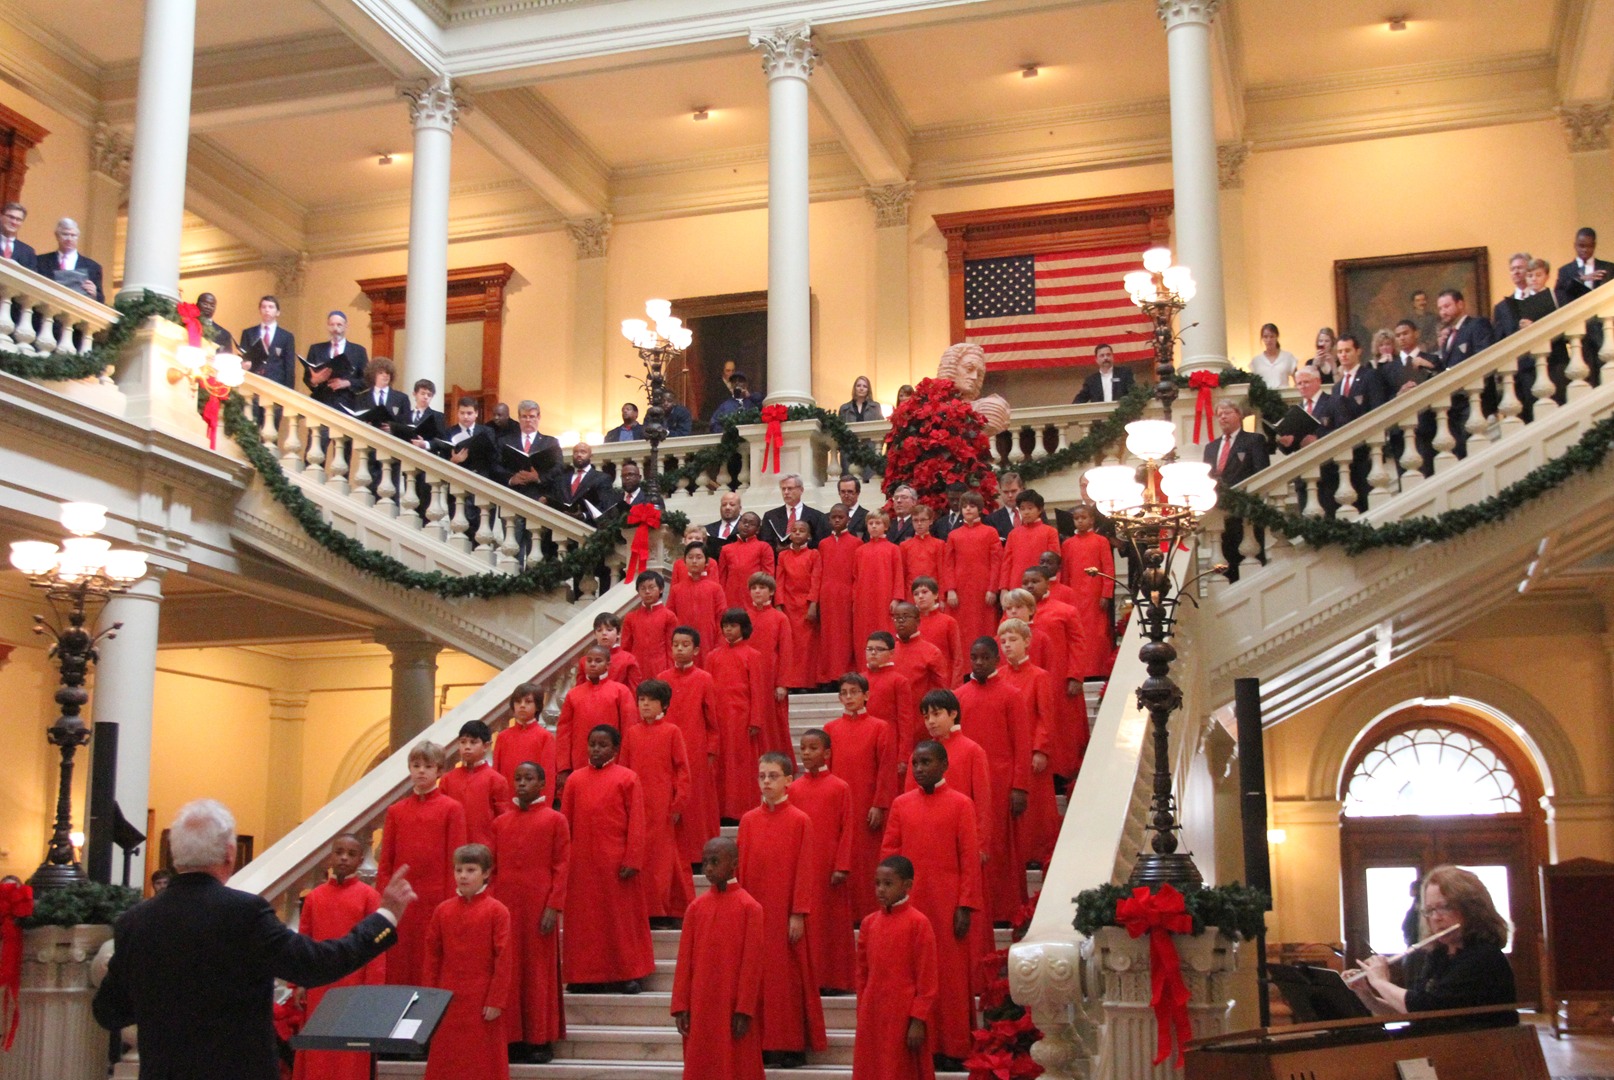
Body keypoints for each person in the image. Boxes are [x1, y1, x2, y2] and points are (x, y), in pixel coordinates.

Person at [93, 800, 413, 1080]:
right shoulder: (244, 913)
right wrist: (384, 918)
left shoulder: (135, 922)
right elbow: (316, 964)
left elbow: (109, 1012)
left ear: (175, 857)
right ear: (230, 854)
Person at [879, 741, 983, 1073]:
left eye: (926, 762)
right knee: (914, 974)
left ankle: (952, 1046)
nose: (920, 768)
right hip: (911, 901)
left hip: (947, 900)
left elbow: (969, 858)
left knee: (949, 975)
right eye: (915, 763)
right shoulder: (900, 804)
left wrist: (965, 903)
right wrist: (892, 895)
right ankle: (923, 1045)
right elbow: (890, 851)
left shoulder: (961, 804)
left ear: (944, 765)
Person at [738, 752, 827, 1069]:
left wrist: (798, 912)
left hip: (787, 913)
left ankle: (790, 1045)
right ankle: (761, 1043)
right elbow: (744, 870)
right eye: (762, 776)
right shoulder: (748, 821)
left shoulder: (800, 820)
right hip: (757, 912)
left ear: (789, 779)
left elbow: (805, 870)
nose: (766, 782)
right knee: (759, 978)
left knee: (788, 980)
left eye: (773, 775)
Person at [1348, 865, 1517, 1027]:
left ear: (1471, 908)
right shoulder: (1440, 955)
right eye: (1429, 910)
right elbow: (1414, 1011)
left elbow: (1426, 1008)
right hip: (1441, 1046)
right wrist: (1368, 997)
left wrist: (1380, 982)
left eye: (1445, 907)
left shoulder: (1482, 957)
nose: (1436, 918)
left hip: (1479, 1049)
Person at [562, 725, 656, 993]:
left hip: (617, 862)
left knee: (620, 921)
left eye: (603, 745)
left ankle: (627, 974)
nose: (596, 749)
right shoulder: (575, 780)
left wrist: (633, 858)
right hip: (582, 863)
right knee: (585, 923)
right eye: (592, 744)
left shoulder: (628, 778)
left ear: (615, 749)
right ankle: (583, 976)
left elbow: (637, 822)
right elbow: (565, 824)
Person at [489, 762, 568, 1065]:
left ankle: (539, 1039)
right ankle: (512, 1039)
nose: (521, 783)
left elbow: (562, 866)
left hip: (539, 905)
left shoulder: (555, 820)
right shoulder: (500, 824)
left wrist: (554, 904)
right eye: (518, 778)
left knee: (538, 972)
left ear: (543, 784)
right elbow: (493, 871)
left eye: (529, 778)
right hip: (506, 906)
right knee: (509, 971)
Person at [671, 837, 766, 1080]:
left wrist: (744, 1009)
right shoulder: (695, 908)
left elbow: (752, 965)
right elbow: (684, 961)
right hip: (701, 1005)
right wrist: (681, 1005)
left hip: (732, 1005)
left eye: (715, 862)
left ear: (733, 863)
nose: (708, 869)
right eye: (704, 863)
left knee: (737, 1064)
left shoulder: (750, 908)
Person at [291, 834, 383, 1080]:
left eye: (351, 854)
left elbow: (376, 948)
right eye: (339, 852)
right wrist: (300, 981)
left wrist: (372, 992)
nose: (343, 858)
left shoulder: (369, 897)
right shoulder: (314, 897)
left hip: (354, 989)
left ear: (360, 860)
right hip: (319, 986)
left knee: (349, 1056)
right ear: (330, 856)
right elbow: (304, 941)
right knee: (318, 1052)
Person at [378, 741, 467, 986]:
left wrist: (453, 904)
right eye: (416, 765)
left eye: (428, 766)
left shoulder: (452, 809)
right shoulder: (396, 812)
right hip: (402, 902)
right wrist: (384, 900)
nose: (421, 771)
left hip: (436, 900)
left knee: (431, 962)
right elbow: (387, 861)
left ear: (439, 771)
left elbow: (455, 861)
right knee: (398, 961)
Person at [955, 638, 1030, 925]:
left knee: (1001, 847)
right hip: (966, 781)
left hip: (1001, 781)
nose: (978, 662)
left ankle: (1005, 909)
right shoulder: (959, 696)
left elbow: (1021, 743)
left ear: (997, 658)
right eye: (974, 657)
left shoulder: (1011, 695)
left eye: (984, 657)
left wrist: (1020, 785)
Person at [421, 843, 512, 1080]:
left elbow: (503, 959)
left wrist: (496, 1000)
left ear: (486, 873)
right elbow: (433, 956)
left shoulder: (497, 911)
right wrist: (429, 998)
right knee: (447, 1058)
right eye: (459, 869)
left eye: (470, 870)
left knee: (481, 1061)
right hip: (447, 997)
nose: (463, 875)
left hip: (482, 998)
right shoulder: (442, 910)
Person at [854, 855, 938, 1080]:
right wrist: (863, 1008)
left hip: (903, 1015)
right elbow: (862, 972)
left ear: (907, 886)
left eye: (888, 884)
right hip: (873, 1012)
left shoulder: (918, 923)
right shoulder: (869, 923)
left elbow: (927, 978)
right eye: (877, 883)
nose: (880, 889)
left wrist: (918, 1019)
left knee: (899, 1070)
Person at [620, 679, 695, 922]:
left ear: (663, 704)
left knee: (662, 859)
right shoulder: (631, 733)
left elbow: (683, 769)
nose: (645, 705)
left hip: (663, 804)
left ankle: (663, 909)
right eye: (641, 700)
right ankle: (642, 908)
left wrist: (678, 803)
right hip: (638, 803)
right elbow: (624, 770)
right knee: (642, 855)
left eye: (651, 700)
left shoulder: (672, 731)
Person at [825, 673, 897, 921]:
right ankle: (847, 914)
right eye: (844, 693)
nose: (849, 698)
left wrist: (879, 804)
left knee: (866, 859)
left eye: (854, 692)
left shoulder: (880, 727)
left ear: (866, 695)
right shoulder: (830, 729)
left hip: (868, 803)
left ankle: (868, 912)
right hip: (840, 804)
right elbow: (828, 770)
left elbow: (886, 770)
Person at [791, 729, 856, 995]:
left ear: (827, 753)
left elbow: (847, 828)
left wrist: (842, 864)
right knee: (811, 923)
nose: (806, 753)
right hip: (804, 865)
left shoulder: (840, 787)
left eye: (813, 748)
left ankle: (835, 979)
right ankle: (810, 979)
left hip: (829, 865)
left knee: (831, 923)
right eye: (803, 748)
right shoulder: (793, 789)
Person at [994, 618, 1058, 867]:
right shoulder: (998, 676)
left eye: (1013, 640)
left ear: (1027, 642)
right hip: (1006, 752)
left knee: (1035, 808)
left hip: (1031, 752)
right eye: (1003, 641)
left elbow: (1046, 717)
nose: (1007, 645)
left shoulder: (1039, 677)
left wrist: (1040, 749)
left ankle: (1035, 854)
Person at [661, 627, 722, 866]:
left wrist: (711, 751)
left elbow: (712, 720)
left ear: (696, 650)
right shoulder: (662, 678)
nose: (679, 649)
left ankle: (698, 855)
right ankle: (674, 856)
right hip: (667, 748)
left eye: (685, 645)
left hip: (695, 749)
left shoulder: (704, 679)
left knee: (696, 804)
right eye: (675, 644)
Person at [556, 644, 637, 798]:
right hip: (580, 762)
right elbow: (564, 732)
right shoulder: (573, 695)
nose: (592, 664)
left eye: (598, 661)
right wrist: (564, 767)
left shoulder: (620, 691)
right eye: (589, 660)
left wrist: (624, 763)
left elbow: (628, 729)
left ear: (608, 665)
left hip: (613, 762)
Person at [1201, 404, 1268, 582]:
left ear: (1239, 414)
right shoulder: (1211, 447)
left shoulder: (1254, 440)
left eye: (1227, 413)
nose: (1223, 417)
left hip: (1246, 511)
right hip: (1221, 513)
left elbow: (1262, 473)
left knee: (1250, 562)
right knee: (1226, 560)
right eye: (1219, 414)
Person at [1059, 504, 1116, 674]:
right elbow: (1065, 573)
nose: (1080, 521)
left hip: (1095, 595)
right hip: (1075, 595)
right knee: (1077, 633)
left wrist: (1106, 594)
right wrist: (1065, 598)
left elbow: (1108, 569)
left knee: (1097, 633)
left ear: (1091, 520)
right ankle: (1080, 670)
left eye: (1084, 518)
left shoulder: (1101, 541)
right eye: (1077, 519)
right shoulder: (1068, 544)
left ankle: (1098, 669)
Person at [746, 572, 795, 760]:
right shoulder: (745, 617)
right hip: (750, 676)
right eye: (754, 588)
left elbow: (786, 652)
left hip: (772, 676)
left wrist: (783, 683)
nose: (757, 592)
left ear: (772, 592)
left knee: (774, 721)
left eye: (762, 588)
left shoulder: (780, 618)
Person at [942, 492, 1002, 647]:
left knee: (983, 626)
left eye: (972, 506)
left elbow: (996, 562)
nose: (968, 509)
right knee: (961, 629)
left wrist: (992, 589)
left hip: (983, 590)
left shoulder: (990, 532)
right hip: (960, 591)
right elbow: (948, 564)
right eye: (965, 506)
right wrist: (950, 589)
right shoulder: (953, 535)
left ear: (980, 509)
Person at [440, 720, 511, 848]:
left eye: (473, 742)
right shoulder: (447, 779)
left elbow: (503, 821)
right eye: (463, 742)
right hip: (453, 848)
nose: (467, 747)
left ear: (486, 746)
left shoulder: (496, 780)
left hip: (484, 851)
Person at [816, 504, 863, 683]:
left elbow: (857, 573)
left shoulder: (856, 543)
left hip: (846, 594)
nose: (837, 520)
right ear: (829, 520)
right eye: (833, 517)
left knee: (845, 637)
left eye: (840, 517)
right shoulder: (823, 544)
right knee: (828, 636)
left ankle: (844, 674)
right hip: (827, 595)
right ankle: (828, 676)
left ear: (848, 520)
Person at [776, 520, 822, 690]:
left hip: (805, 605)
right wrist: (779, 604)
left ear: (808, 536)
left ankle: (806, 682)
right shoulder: (783, 556)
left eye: (801, 531)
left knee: (806, 646)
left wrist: (813, 603)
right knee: (790, 645)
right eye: (794, 530)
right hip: (788, 604)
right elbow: (779, 581)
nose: (797, 533)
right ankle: (790, 682)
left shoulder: (813, 554)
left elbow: (816, 580)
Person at [1555, 226, 1612, 362]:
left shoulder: (1608, 268)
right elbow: (1559, 295)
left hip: (1603, 327)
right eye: (1581, 246)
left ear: (1594, 245)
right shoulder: (1565, 271)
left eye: (1589, 246)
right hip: (1579, 327)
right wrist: (1581, 279)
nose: (1585, 250)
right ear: (1575, 245)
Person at [864, 631, 916, 772]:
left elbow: (906, 720)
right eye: (869, 649)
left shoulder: (899, 681)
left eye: (879, 649)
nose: (873, 653)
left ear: (892, 653)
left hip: (890, 744)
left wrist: (904, 755)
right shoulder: (860, 679)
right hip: (864, 742)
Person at [852, 512, 905, 649]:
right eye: (871, 524)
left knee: (885, 629)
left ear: (886, 526)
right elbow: (855, 578)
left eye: (878, 523)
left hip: (885, 598)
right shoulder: (860, 551)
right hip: (864, 600)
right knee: (864, 632)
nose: (874, 526)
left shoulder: (893, 549)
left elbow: (899, 575)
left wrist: (896, 598)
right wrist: (855, 599)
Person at [493, 400, 562, 503]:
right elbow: (496, 466)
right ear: (519, 418)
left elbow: (559, 468)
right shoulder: (505, 441)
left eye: (532, 416)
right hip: (512, 497)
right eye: (524, 416)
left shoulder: (551, 443)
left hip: (539, 498)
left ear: (538, 418)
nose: (528, 420)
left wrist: (538, 478)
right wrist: (511, 479)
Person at [892, 602, 948, 725]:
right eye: (896, 617)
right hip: (894, 719)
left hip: (921, 720)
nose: (900, 621)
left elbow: (941, 690)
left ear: (918, 621)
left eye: (905, 617)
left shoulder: (931, 652)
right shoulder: (889, 652)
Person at [493, 683, 554, 790]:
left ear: (538, 706)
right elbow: (496, 774)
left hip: (534, 800)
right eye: (518, 701)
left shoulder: (545, 737)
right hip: (506, 800)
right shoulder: (503, 737)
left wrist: (543, 805)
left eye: (528, 701)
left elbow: (548, 776)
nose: (522, 705)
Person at [669, 546, 725, 663]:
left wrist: (719, 645)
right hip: (682, 643)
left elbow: (722, 618)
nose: (694, 561)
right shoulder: (676, 589)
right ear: (684, 561)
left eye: (699, 557)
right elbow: (670, 618)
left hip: (708, 641)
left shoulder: (715, 588)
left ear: (706, 562)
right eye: (690, 557)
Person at [999, 490, 1060, 593]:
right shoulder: (1013, 534)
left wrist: (1053, 585)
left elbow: (1054, 562)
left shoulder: (1050, 532)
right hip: (1017, 584)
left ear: (1039, 509)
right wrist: (1004, 588)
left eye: (1030, 508)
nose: (1026, 512)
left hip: (1041, 585)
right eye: (1022, 509)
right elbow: (1007, 563)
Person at [622, 570, 678, 681]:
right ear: (638, 591)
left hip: (660, 669)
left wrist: (670, 673)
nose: (647, 592)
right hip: (636, 670)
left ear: (661, 589)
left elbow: (671, 648)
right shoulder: (630, 617)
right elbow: (625, 647)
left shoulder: (669, 616)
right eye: (642, 588)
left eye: (651, 587)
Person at [302, 311, 366, 407]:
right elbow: (307, 377)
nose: (335, 329)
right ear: (328, 326)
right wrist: (315, 380)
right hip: (321, 402)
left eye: (339, 325)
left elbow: (366, 380)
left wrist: (347, 383)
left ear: (346, 326)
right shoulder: (316, 349)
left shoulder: (358, 351)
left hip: (347, 403)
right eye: (332, 325)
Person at [912, 578, 965, 686]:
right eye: (916, 594)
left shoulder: (948, 622)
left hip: (943, 683)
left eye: (925, 592)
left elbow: (957, 658)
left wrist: (955, 687)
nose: (920, 596)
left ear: (936, 595)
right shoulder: (911, 624)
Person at [718, 512, 774, 610]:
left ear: (757, 530)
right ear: (738, 524)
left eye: (751, 524)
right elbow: (722, 577)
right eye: (744, 521)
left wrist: (766, 599)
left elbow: (768, 576)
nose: (746, 525)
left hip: (755, 598)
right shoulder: (726, 549)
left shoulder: (764, 547)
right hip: (731, 598)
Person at [36, 217, 102, 299]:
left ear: (78, 237)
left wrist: (95, 293)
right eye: (65, 234)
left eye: (73, 235)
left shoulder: (93, 267)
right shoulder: (40, 261)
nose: (69, 239)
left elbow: (101, 299)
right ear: (57, 236)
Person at [762, 473, 830, 550]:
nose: (786, 492)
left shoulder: (817, 516)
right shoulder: (771, 516)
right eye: (783, 489)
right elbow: (766, 543)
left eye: (790, 488)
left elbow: (820, 542)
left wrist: (796, 547)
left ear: (801, 490)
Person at [549, 442, 615, 522]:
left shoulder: (602, 478)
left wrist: (584, 515)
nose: (579, 455)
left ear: (590, 456)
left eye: (583, 452)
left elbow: (606, 505)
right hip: (561, 524)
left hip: (587, 526)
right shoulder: (561, 479)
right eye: (575, 452)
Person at [574, 612, 643, 688]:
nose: (604, 633)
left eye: (609, 630)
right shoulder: (585, 661)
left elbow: (633, 692)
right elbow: (579, 690)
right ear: (594, 635)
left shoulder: (628, 660)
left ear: (619, 633)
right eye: (599, 630)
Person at [240, 295, 296, 388]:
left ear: (277, 312)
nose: (267, 310)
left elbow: (289, 367)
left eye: (271, 307)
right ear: (260, 311)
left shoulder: (286, 337)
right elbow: (243, 358)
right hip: (253, 383)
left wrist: (289, 391)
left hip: (276, 385)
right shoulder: (248, 333)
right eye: (263, 307)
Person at [901, 505, 945, 596]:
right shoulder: (904, 546)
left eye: (923, 520)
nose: (919, 523)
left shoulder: (939, 544)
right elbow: (902, 574)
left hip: (932, 594)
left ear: (931, 521)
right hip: (911, 594)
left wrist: (941, 597)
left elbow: (942, 573)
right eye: (916, 520)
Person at [1492, 252, 1534, 339]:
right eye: (1512, 269)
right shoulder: (1501, 308)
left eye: (1520, 268)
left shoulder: (1541, 297)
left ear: (1530, 270)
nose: (1516, 272)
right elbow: (1498, 339)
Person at [1250, 323, 1298, 388]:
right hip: (1264, 396)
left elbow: (1297, 380)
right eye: (1265, 337)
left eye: (1272, 336)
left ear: (1277, 337)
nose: (1269, 340)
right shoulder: (1256, 361)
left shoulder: (1288, 357)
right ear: (1262, 338)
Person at [707, 490, 745, 554]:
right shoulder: (708, 530)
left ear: (740, 508)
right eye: (724, 505)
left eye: (732, 505)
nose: (727, 507)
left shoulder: (747, 528)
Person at [0, 201, 35, 269]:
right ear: (1, 216)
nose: (14, 222)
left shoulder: (28, 252)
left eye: (18, 219)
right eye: (11, 217)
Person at [838, 475, 871, 539]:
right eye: (843, 492)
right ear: (839, 493)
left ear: (858, 492)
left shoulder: (867, 517)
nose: (846, 495)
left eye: (850, 492)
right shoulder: (829, 518)